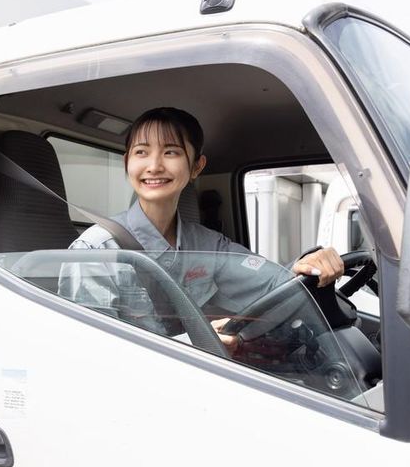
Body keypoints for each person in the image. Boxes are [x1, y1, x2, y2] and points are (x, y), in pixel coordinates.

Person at [58, 107, 344, 351]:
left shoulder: (208, 245)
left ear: (196, 166)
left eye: (171, 152)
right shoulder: (95, 251)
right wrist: (196, 344)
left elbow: (274, 285)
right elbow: (92, 352)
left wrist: (308, 266)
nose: (154, 166)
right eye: (141, 152)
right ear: (127, 163)